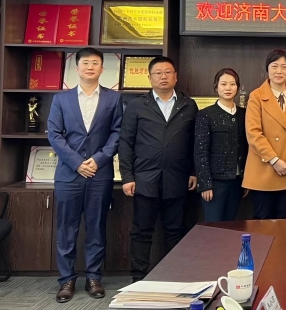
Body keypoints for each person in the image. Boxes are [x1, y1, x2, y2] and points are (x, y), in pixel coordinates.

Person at [47, 47, 123, 302]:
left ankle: (93, 278)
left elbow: (117, 133)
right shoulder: (61, 99)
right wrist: (77, 163)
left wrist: (99, 159)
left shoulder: (113, 99)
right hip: (69, 175)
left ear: (102, 68)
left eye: (95, 63)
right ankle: (66, 280)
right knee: (66, 230)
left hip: (99, 174)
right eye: (86, 63)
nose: (90, 67)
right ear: (77, 68)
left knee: (96, 227)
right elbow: (54, 134)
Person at [118, 56, 198, 282]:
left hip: (177, 178)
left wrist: (193, 171)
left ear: (176, 76)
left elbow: (194, 142)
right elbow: (125, 142)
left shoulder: (188, 105)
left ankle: (172, 277)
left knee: (175, 230)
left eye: (168, 72)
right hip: (144, 179)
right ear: (150, 77)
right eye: (158, 73)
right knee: (141, 231)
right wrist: (127, 176)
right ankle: (138, 278)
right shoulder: (137, 106)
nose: (163, 77)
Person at [243, 49, 286, 219]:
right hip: (265, 169)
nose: (279, 71)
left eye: (284, 67)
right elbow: (253, 133)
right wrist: (275, 160)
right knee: (262, 223)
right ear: (267, 68)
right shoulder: (256, 96)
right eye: (274, 66)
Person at [194, 68, 246, 222]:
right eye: (223, 84)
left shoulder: (244, 114)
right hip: (215, 182)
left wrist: (247, 180)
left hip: (237, 181)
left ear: (238, 87)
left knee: (232, 225)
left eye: (232, 84)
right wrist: (205, 184)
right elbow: (200, 151)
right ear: (216, 87)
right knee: (214, 227)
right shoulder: (206, 114)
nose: (228, 88)